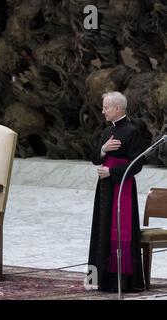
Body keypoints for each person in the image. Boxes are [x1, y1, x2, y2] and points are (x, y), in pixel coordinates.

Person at [87, 91, 145, 292]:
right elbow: (95, 158)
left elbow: (137, 164)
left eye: (106, 107)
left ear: (118, 108)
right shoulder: (106, 132)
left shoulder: (132, 132)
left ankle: (121, 282)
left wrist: (111, 171)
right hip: (104, 189)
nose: (103, 111)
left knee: (119, 231)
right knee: (100, 230)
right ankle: (98, 279)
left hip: (122, 189)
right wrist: (103, 149)